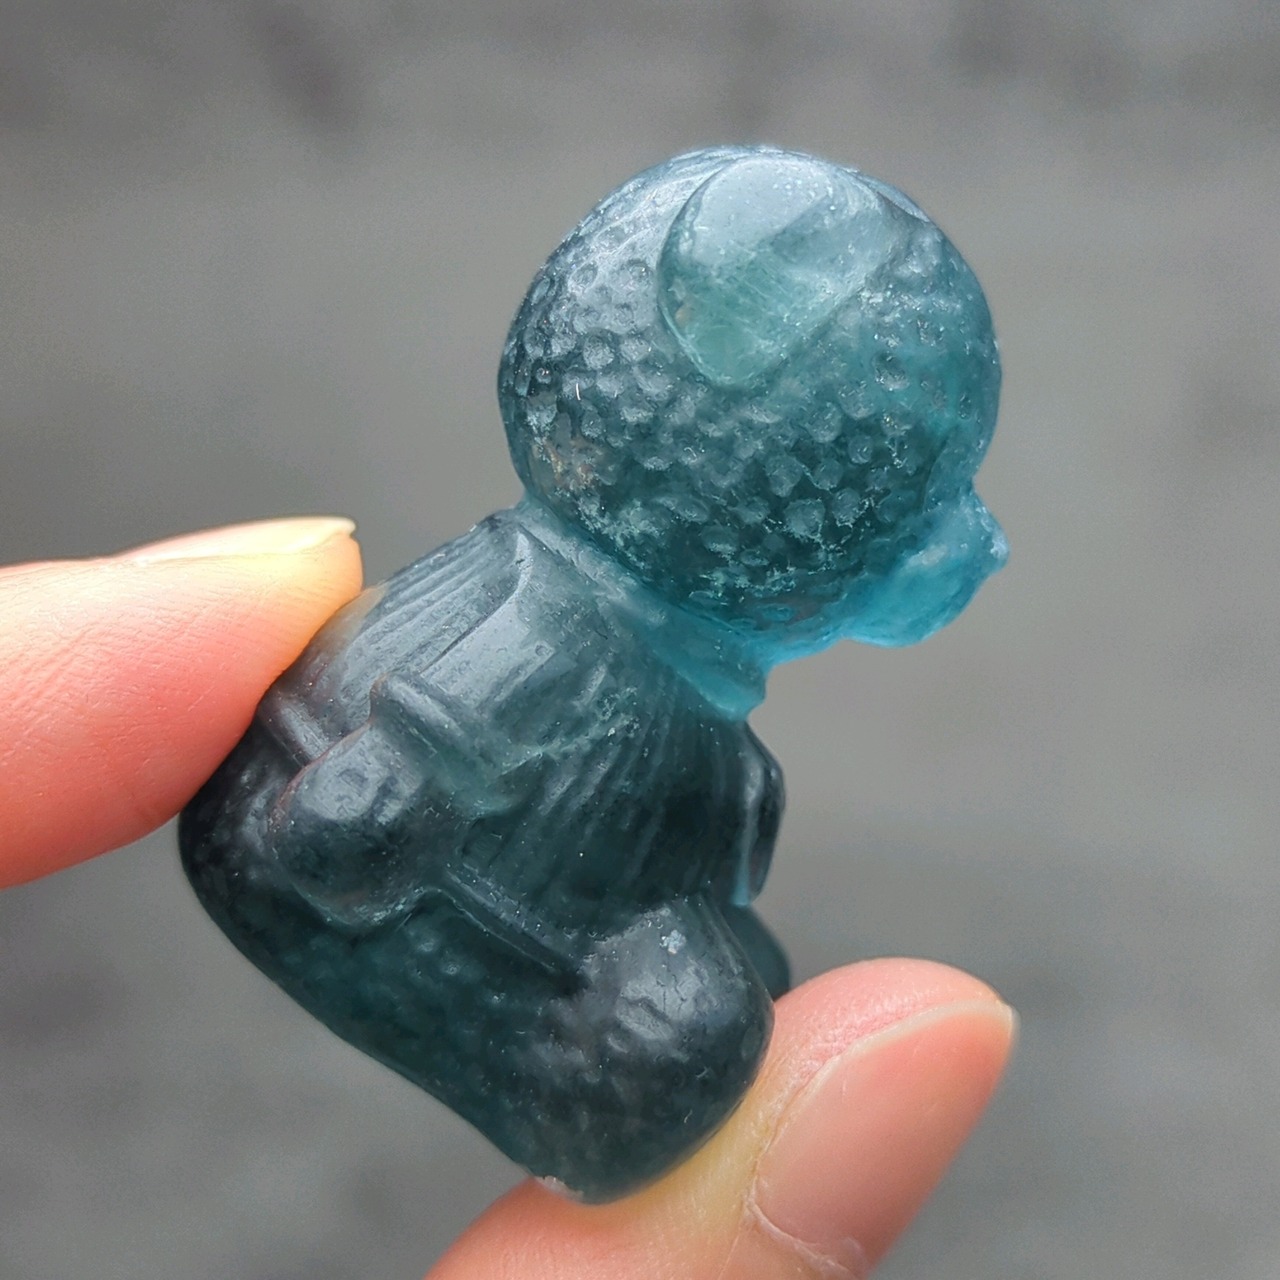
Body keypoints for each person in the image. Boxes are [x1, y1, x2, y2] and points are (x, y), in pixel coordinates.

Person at [0, 515, 1014, 1279]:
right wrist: (386, 788)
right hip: (362, 894)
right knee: (704, 1031)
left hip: (514, 962)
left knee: (738, 1004)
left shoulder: (720, 745)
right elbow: (341, 831)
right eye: (917, 513)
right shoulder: (538, 608)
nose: (967, 545)